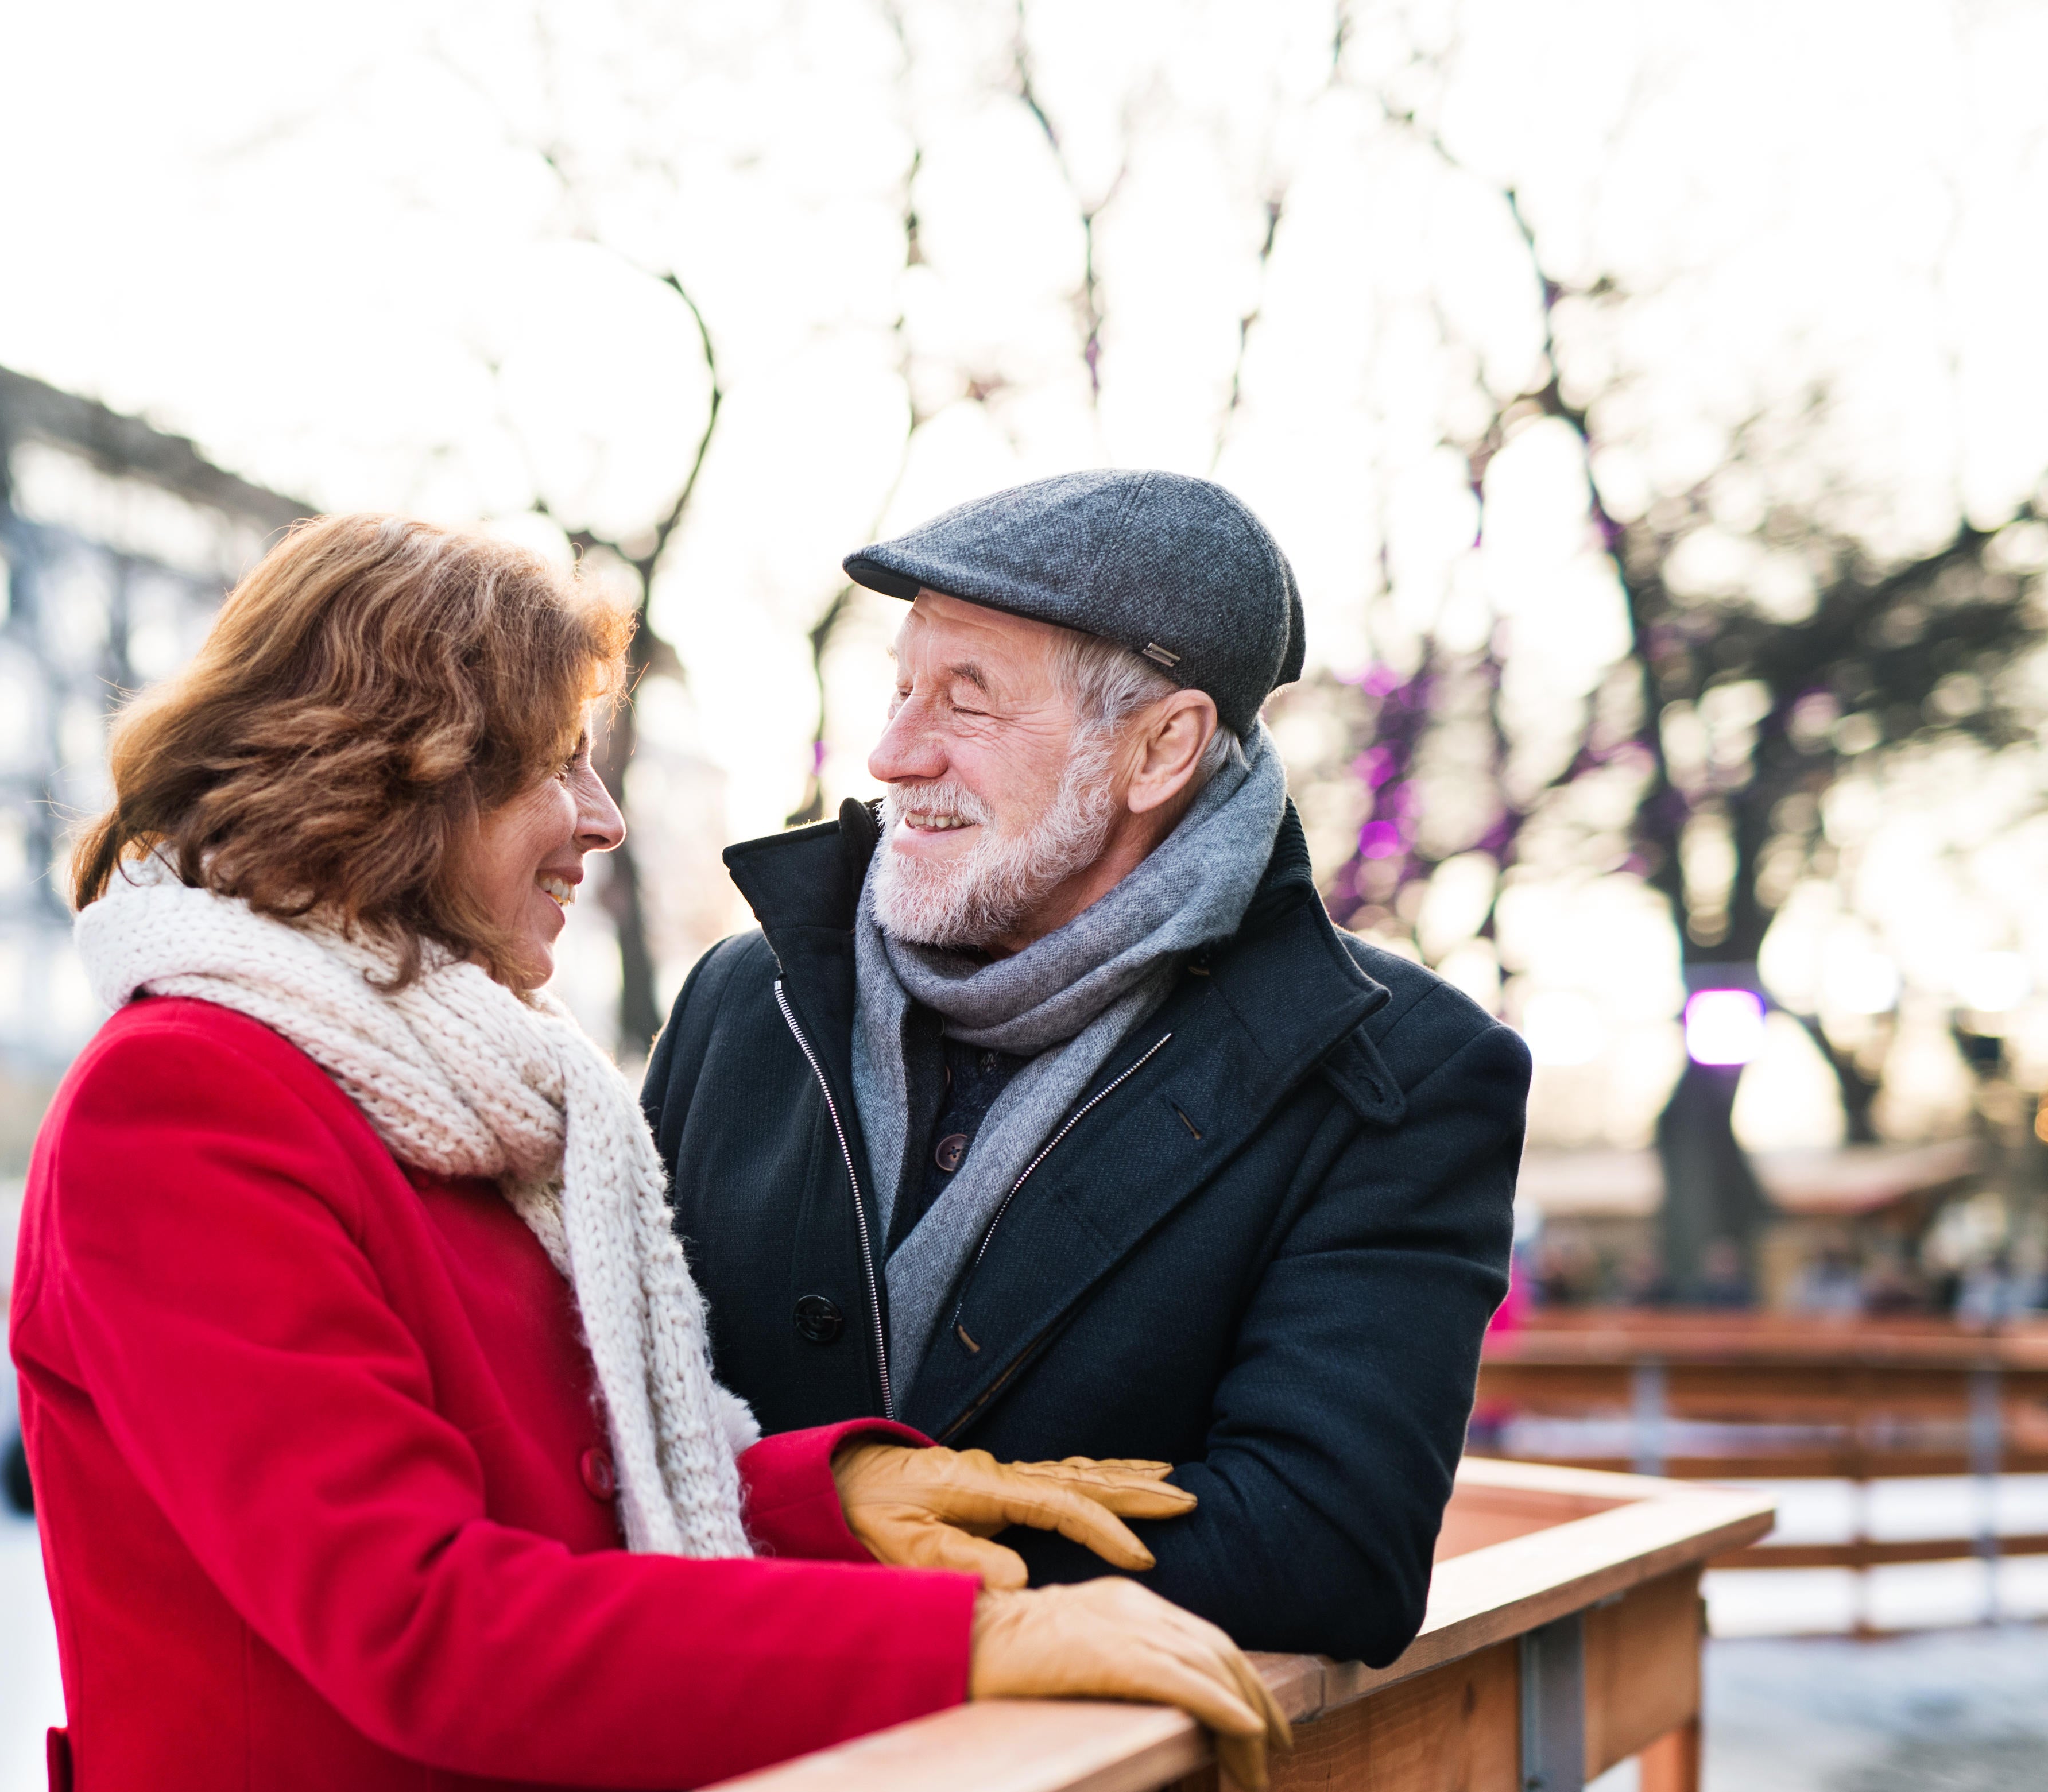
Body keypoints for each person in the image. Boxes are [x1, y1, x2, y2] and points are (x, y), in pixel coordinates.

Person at [14, 512, 1288, 1792]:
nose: (604, 817)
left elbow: (573, 1473)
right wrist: (955, 1645)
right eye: (558, 764)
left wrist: (841, 1493)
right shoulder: (188, 1104)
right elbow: (422, 1613)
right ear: (398, 772)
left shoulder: (465, 1082)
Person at [644, 471, 1531, 1674]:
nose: (894, 752)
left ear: (1160, 747)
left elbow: (1327, 1548)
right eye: (901, 687)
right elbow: (602, 1415)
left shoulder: (1398, 1072)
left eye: (968, 702)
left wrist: (877, 1556)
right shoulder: (744, 1002)